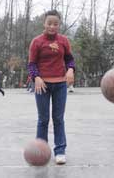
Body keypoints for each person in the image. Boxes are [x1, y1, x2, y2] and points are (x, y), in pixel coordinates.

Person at [28, 9, 75, 165]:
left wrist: (70, 69)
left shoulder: (64, 41)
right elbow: (32, 63)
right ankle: (41, 151)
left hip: (60, 84)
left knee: (58, 119)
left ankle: (60, 151)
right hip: (42, 85)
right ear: (44, 23)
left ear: (59, 25)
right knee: (43, 119)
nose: (52, 26)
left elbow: (70, 60)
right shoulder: (37, 41)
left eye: (56, 24)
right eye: (49, 23)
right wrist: (37, 78)